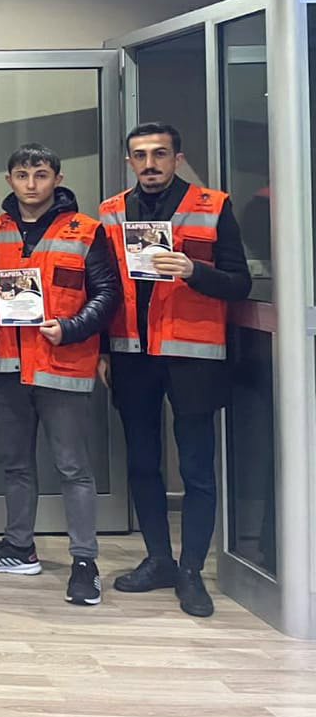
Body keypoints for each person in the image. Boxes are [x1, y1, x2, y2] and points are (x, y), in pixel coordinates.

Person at [99, 122, 251, 618]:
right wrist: (103, 350)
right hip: (131, 353)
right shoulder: (110, 211)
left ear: (177, 158)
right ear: (129, 161)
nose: (150, 164)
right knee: (142, 462)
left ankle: (191, 571)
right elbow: (103, 287)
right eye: (140, 155)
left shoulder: (214, 206)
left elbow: (240, 283)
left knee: (196, 469)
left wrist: (193, 271)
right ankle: (159, 561)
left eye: (160, 154)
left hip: (193, 354)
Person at [0, 144, 119, 605]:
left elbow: (107, 294)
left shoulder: (86, 230)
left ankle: (85, 562)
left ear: (57, 179)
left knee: (73, 468)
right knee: (15, 464)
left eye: (41, 175)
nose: (31, 184)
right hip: (6, 364)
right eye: (23, 175)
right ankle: (18, 548)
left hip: (62, 364)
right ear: (9, 180)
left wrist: (71, 328)